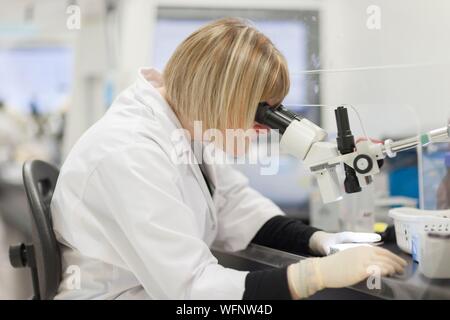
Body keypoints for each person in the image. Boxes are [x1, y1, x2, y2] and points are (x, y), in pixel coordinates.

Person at [51, 18, 406, 300]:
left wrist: (323, 241)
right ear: (219, 96)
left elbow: (240, 211)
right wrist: (313, 276)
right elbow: (192, 290)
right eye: (261, 112)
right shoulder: (129, 153)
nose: (265, 126)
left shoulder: (185, 128)